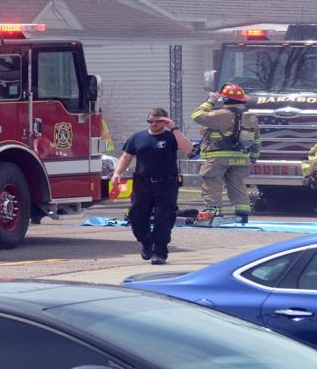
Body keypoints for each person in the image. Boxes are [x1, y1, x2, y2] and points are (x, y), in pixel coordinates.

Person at [108, 107, 191, 264]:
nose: (154, 124)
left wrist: (174, 128)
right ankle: (146, 242)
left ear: (165, 121)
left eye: (158, 121)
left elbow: (188, 148)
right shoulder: (137, 137)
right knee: (136, 217)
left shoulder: (171, 136)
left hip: (166, 183)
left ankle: (160, 252)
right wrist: (117, 173)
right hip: (142, 183)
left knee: (164, 218)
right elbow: (126, 157)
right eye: (150, 121)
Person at [191, 83, 261, 219]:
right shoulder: (251, 118)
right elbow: (257, 140)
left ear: (224, 99)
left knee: (212, 181)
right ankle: (242, 213)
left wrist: (210, 101)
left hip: (218, 157)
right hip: (242, 158)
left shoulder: (220, 115)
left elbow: (197, 115)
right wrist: (253, 157)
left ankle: (213, 211)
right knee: (237, 183)